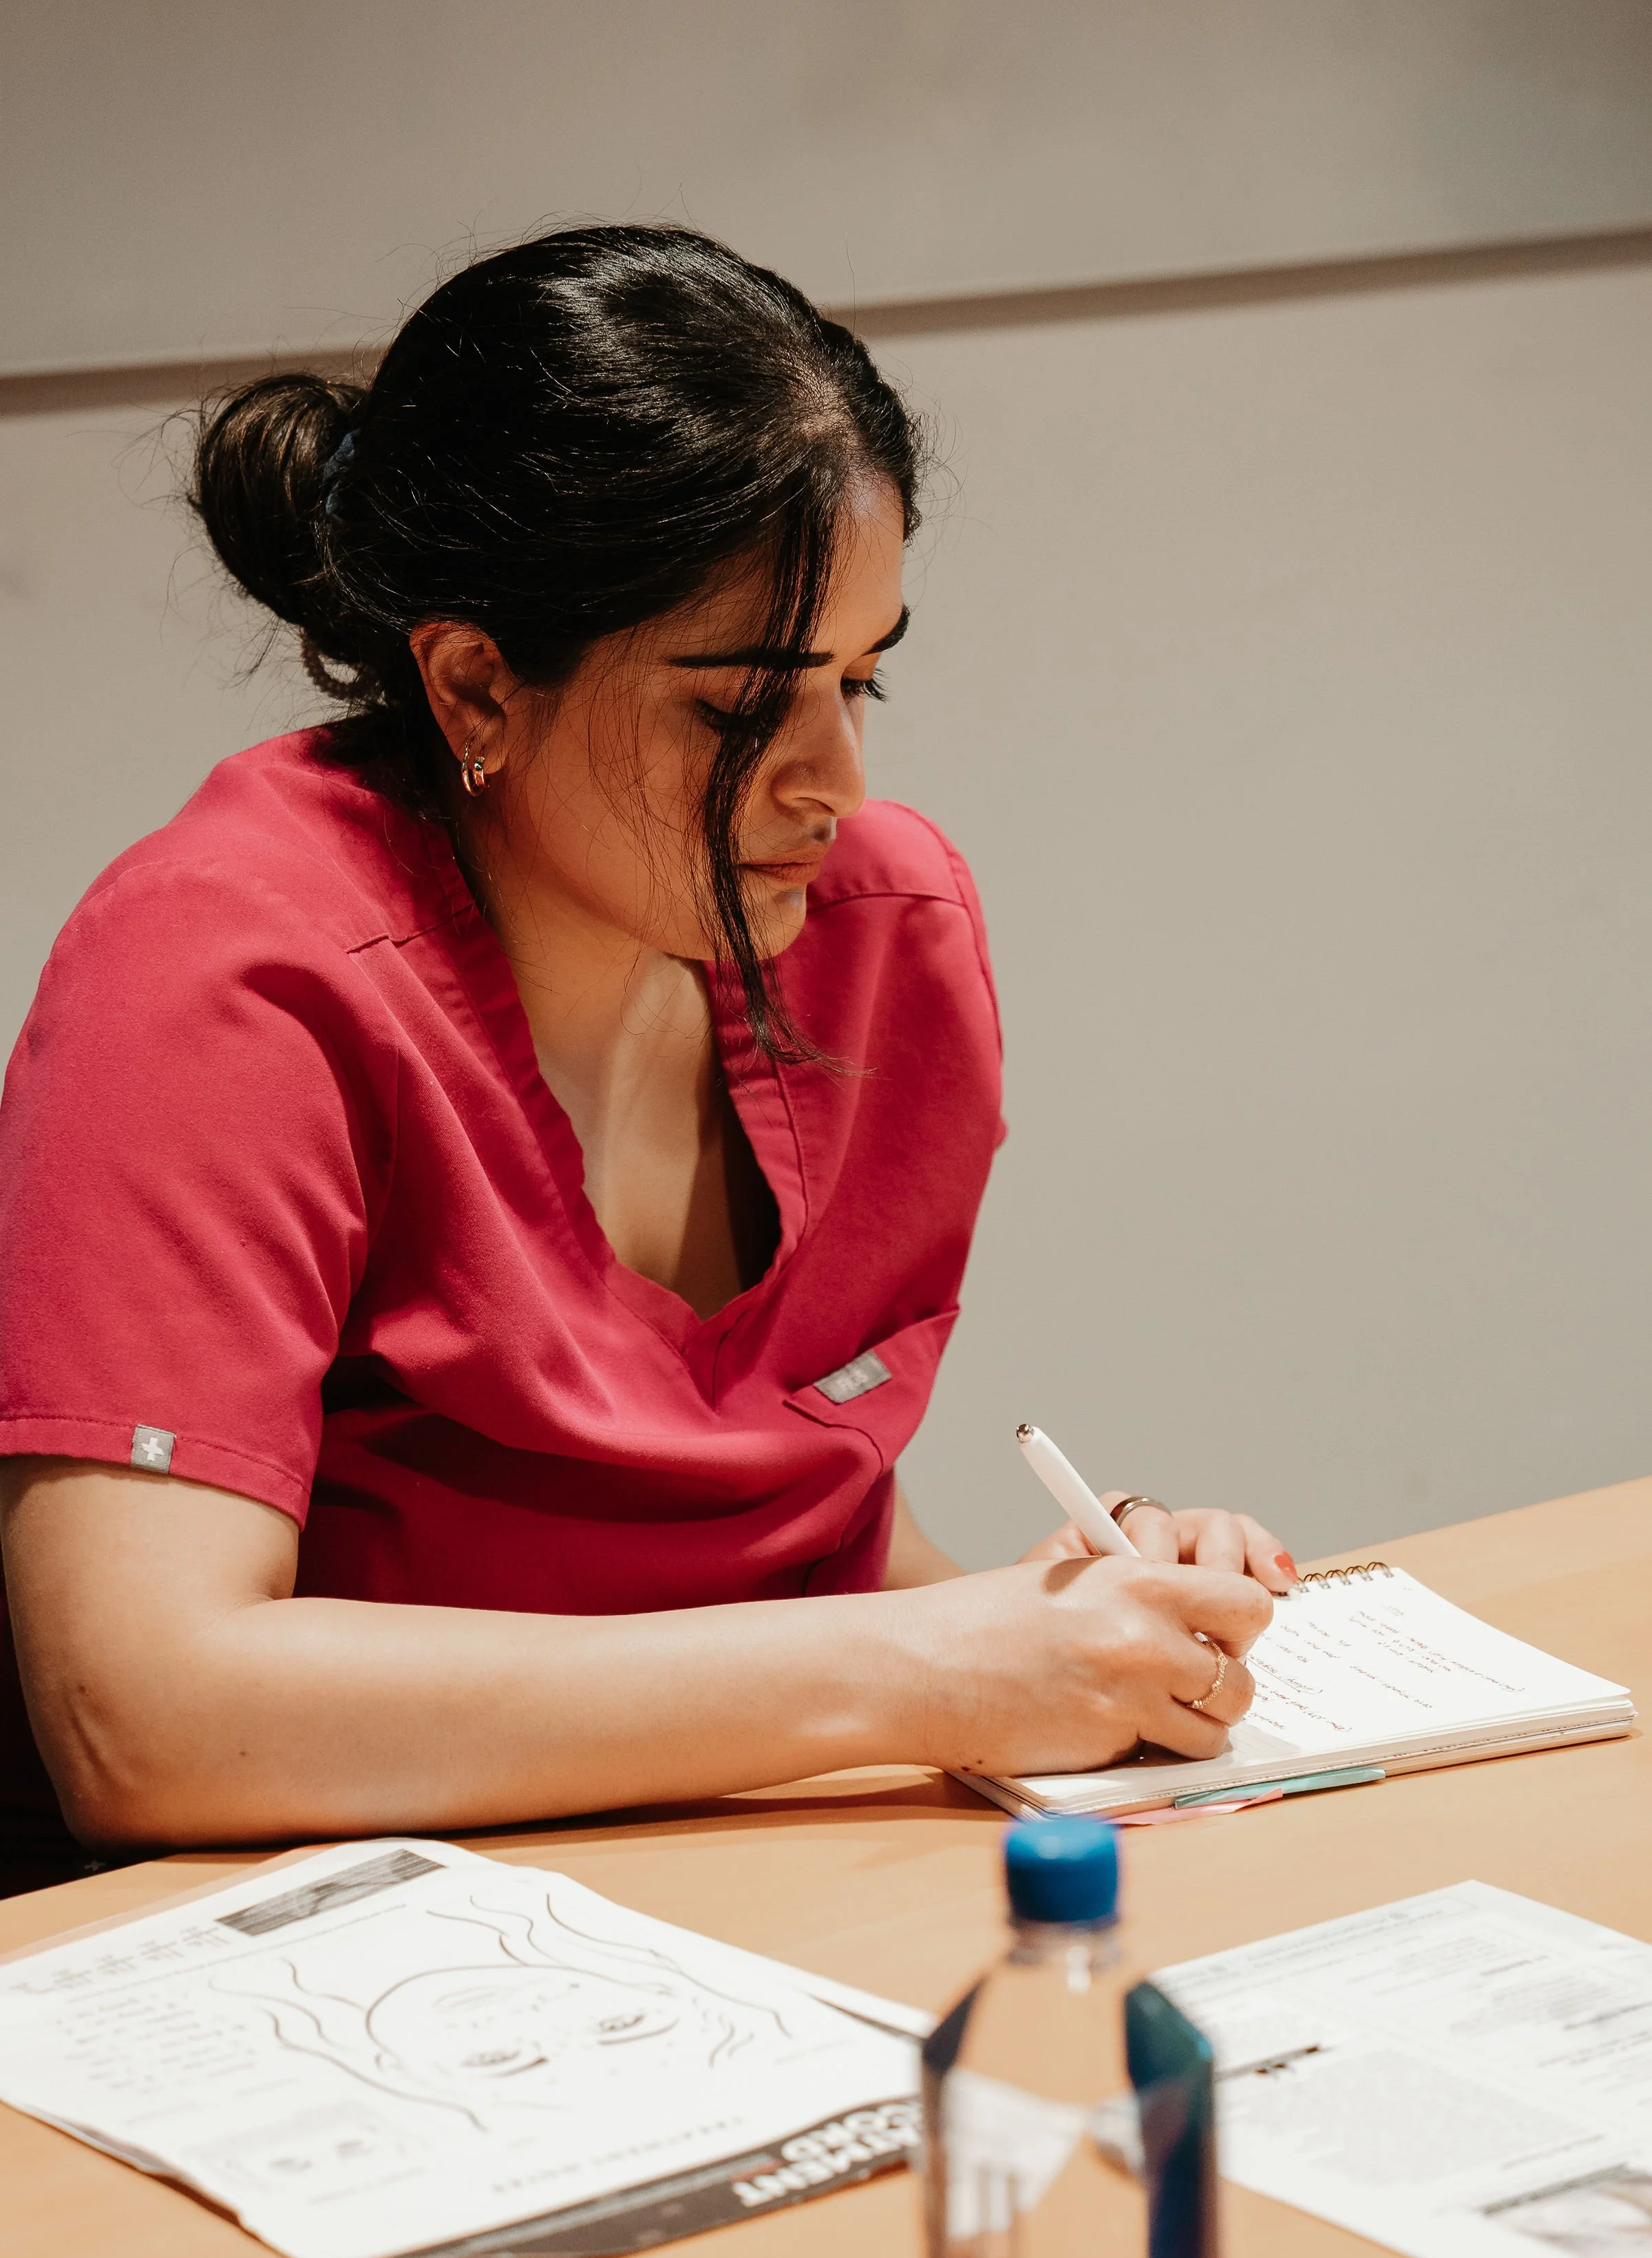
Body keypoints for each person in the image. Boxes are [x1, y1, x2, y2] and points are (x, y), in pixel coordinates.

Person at [0, 226, 1291, 1890]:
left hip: (709, 1880)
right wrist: (931, 1668)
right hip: (286, 1962)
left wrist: (1096, 1623)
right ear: (475, 685)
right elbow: (149, 1718)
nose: (831, 777)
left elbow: (757, 1533)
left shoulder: (881, 931)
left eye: (863, 677)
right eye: (745, 703)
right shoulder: (221, 980)